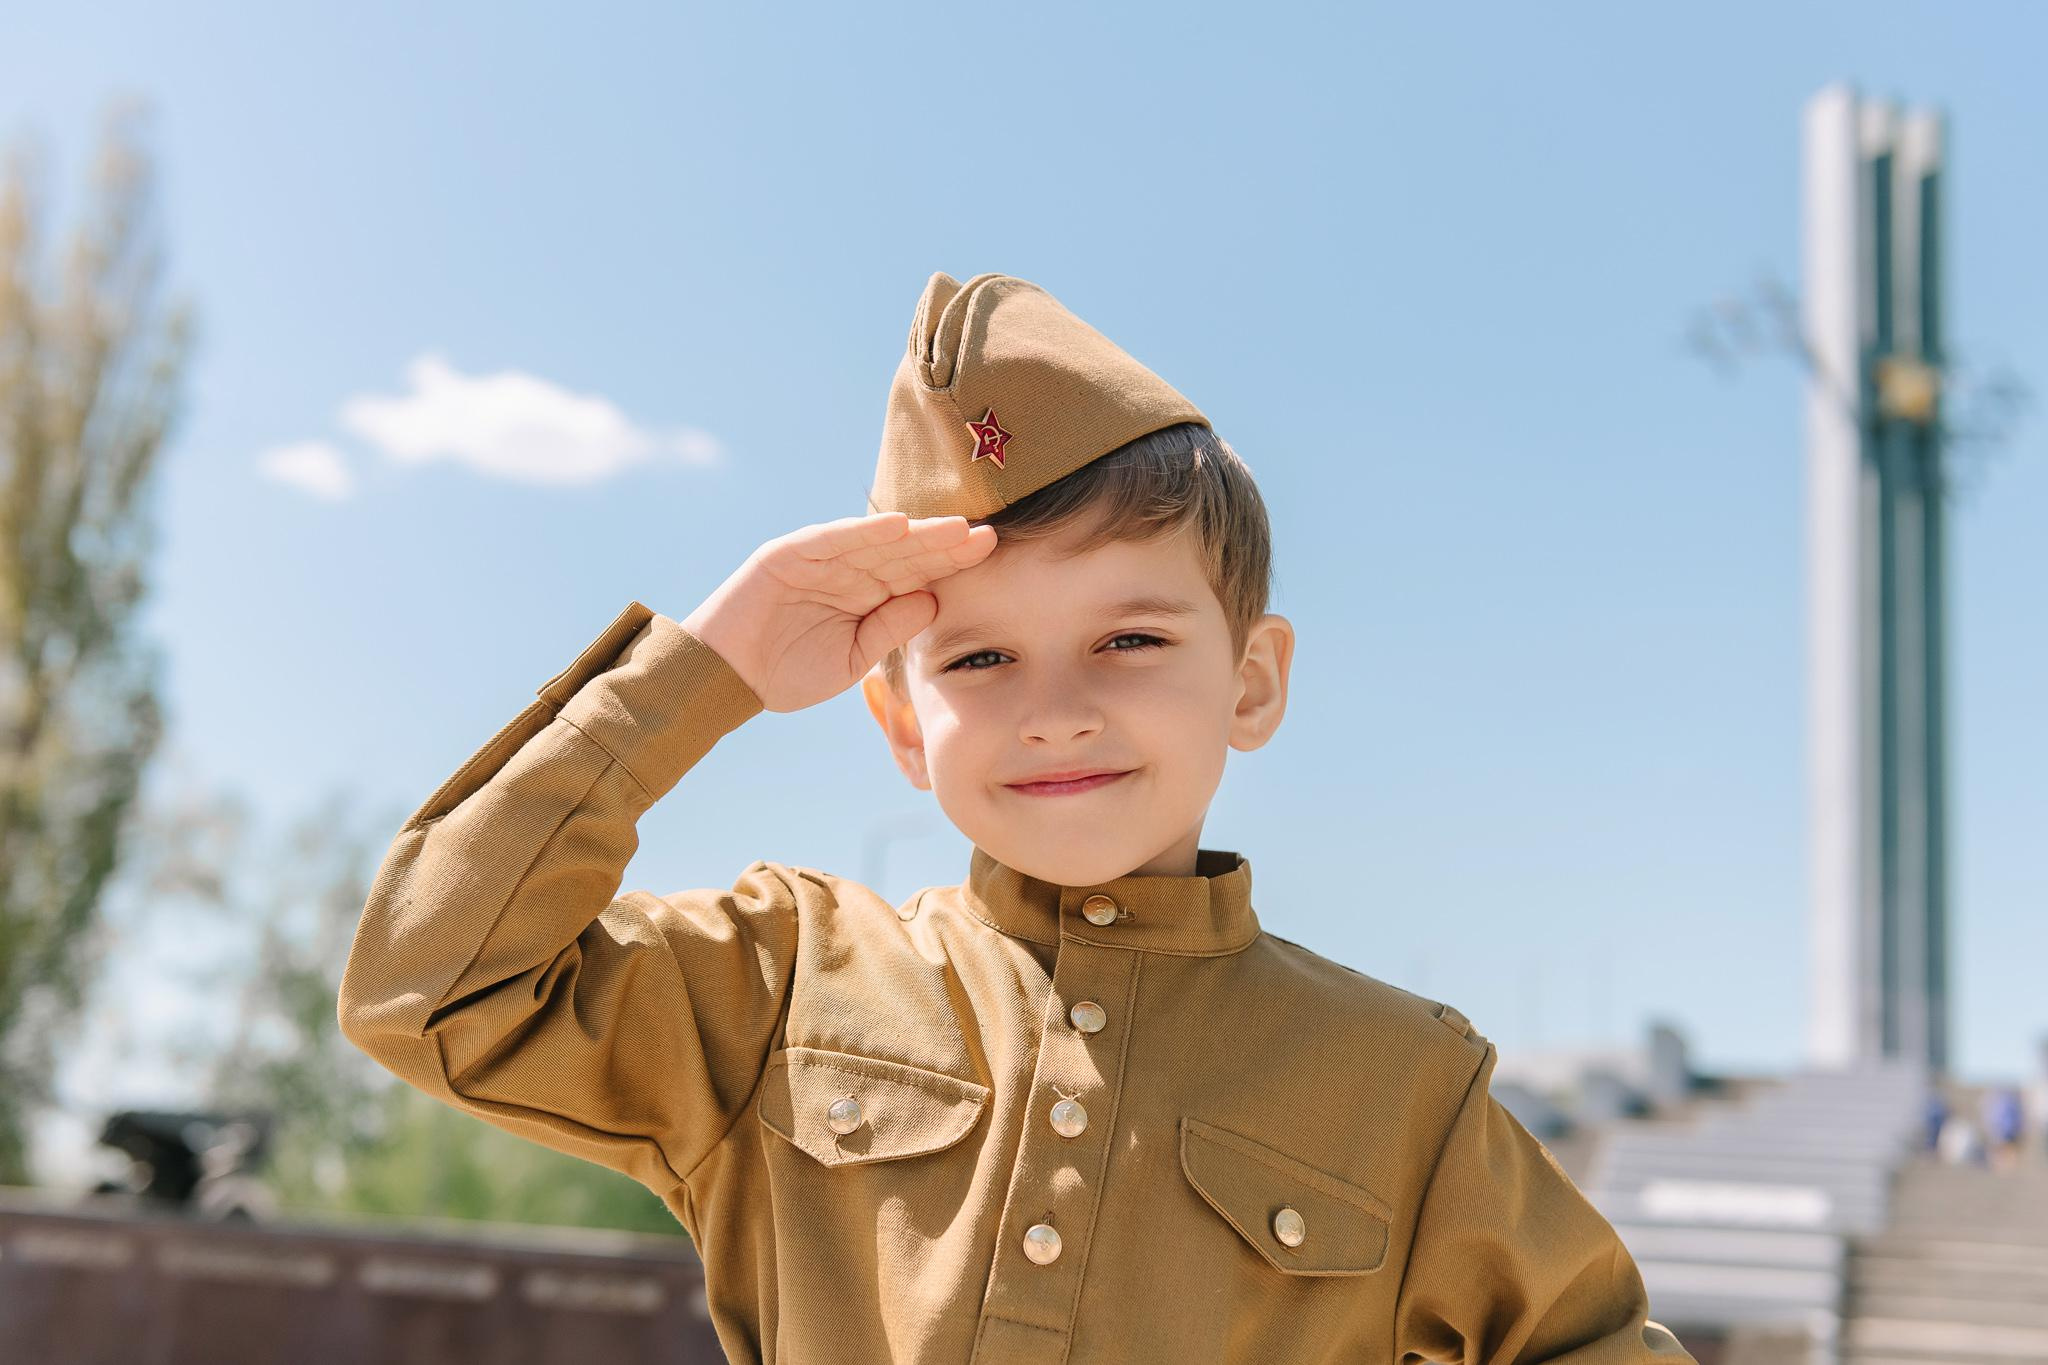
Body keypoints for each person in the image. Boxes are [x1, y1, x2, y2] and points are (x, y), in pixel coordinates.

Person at [338, 270, 1696, 1362]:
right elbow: (429, 987)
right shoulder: (779, 985)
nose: (1054, 711)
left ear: (1253, 680)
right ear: (899, 722)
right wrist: (703, 671)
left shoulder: (1398, 1084)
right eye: (980, 658)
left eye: (1129, 640)